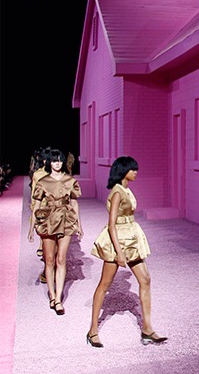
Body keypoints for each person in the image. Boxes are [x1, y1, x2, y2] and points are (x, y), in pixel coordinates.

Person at [87, 156, 167, 347]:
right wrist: (119, 252)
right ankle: (92, 331)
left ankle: (147, 329)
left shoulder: (126, 189)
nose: (136, 172)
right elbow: (111, 224)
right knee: (104, 284)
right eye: (133, 169)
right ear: (124, 171)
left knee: (145, 279)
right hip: (119, 240)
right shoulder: (117, 192)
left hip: (131, 237)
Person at [27, 148, 83, 316]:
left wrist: (79, 225)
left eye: (59, 160)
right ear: (49, 163)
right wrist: (31, 228)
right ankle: (51, 295)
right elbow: (37, 205)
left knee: (61, 259)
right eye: (54, 160)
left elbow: (74, 203)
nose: (57, 163)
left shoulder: (70, 181)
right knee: (49, 260)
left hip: (66, 220)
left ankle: (58, 298)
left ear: (63, 162)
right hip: (48, 220)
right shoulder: (43, 182)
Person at [29, 147, 50, 283]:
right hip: (42, 210)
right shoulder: (38, 175)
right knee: (46, 239)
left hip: (57, 212)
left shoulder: (59, 174)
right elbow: (34, 196)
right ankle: (46, 269)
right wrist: (34, 212)